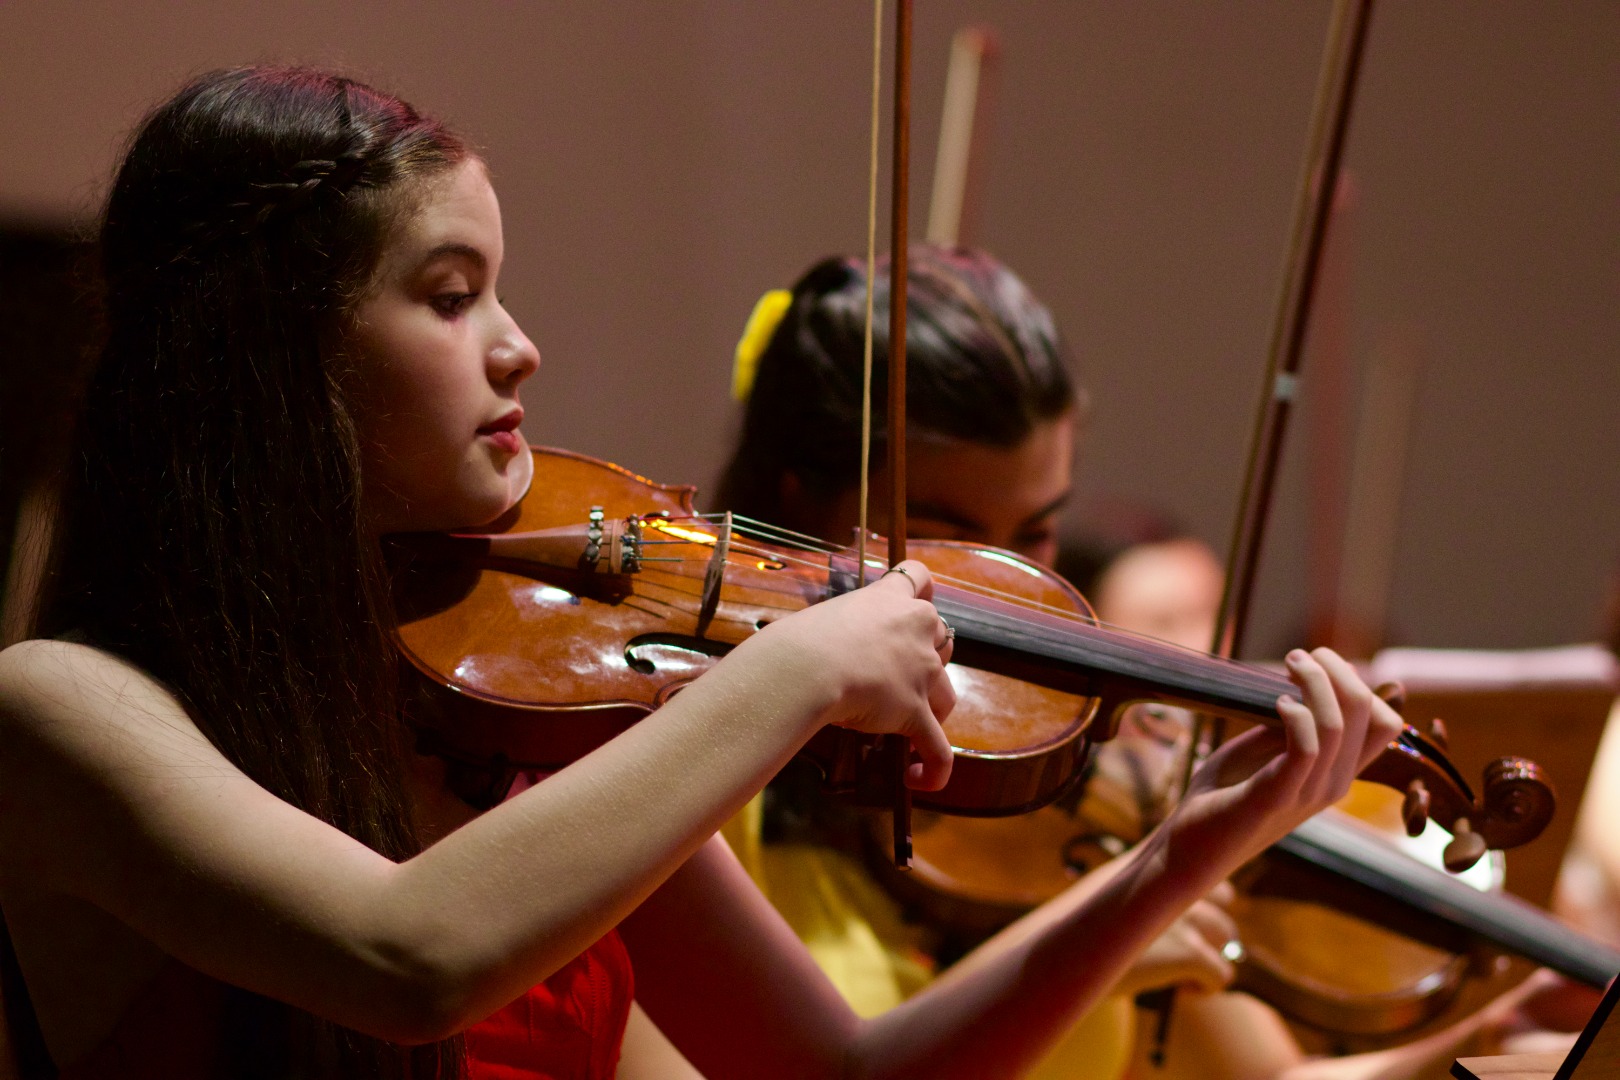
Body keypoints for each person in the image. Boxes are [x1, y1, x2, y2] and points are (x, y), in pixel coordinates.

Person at [0, 68, 1401, 1080]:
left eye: (501, 289)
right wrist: (789, 677)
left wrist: (1177, 855)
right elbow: (404, 959)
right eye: (448, 294)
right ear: (274, 357)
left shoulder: (510, 724)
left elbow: (839, 1075)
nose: (517, 347)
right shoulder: (62, 712)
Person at [714, 246, 1561, 1080]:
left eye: (1038, 532)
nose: (1008, 590)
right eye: (955, 534)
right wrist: (1108, 925)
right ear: (802, 502)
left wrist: (1479, 1047)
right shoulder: (716, 781)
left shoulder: (1082, 791)